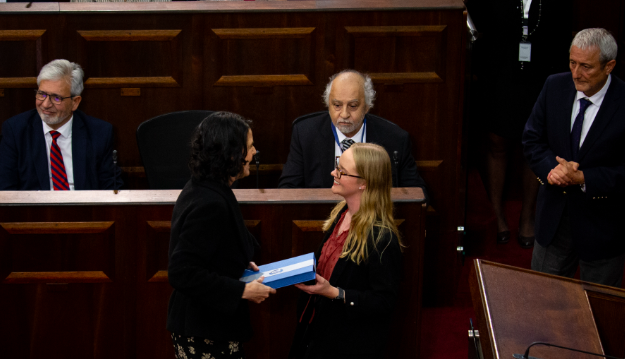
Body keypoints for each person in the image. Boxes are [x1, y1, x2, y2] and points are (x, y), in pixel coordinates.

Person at [167, 112, 276, 359]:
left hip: (208, 325)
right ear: (231, 154)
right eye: (249, 148)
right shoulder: (210, 201)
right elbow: (182, 272)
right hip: (204, 329)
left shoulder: (208, 186)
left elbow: (216, 246)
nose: (254, 153)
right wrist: (241, 291)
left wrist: (237, 260)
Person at [522, 28, 625, 287]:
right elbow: (532, 139)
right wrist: (551, 170)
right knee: (544, 302)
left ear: (609, 66)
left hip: (604, 229)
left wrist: (583, 177)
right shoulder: (554, 86)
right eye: (572, 63)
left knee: (598, 313)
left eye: (586, 67)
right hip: (554, 221)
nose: (576, 74)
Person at [465, 0, 571, 247]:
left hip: (540, 76)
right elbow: (477, 19)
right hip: (499, 73)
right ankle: (497, 215)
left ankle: (527, 217)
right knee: (497, 142)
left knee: (532, 145)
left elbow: (562, 32)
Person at [289, 142, 403, 359]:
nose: (334, 173)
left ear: (364, 183)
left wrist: (335, 293)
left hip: (348, 343)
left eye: (342, 171)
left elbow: (384, 301)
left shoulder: (382, 237)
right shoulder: (341, 213)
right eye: (336, 166)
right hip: (318, 331)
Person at [278, 69, 428, 201]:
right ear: (328, 104)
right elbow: (287, 190)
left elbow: (418, 195)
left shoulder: (394, 139)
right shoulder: (305, 134)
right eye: (337, 105)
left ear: (367, 106)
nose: (344, 114)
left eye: (353, 106)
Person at [0, 59, 122, 190]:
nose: (45, 104)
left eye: (56, 98)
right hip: (35, 209)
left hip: (83, 208)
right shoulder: (16, 130)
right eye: (41, 94)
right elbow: (6, 190)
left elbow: (111, 189)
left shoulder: (99, 133)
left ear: (75, 102)